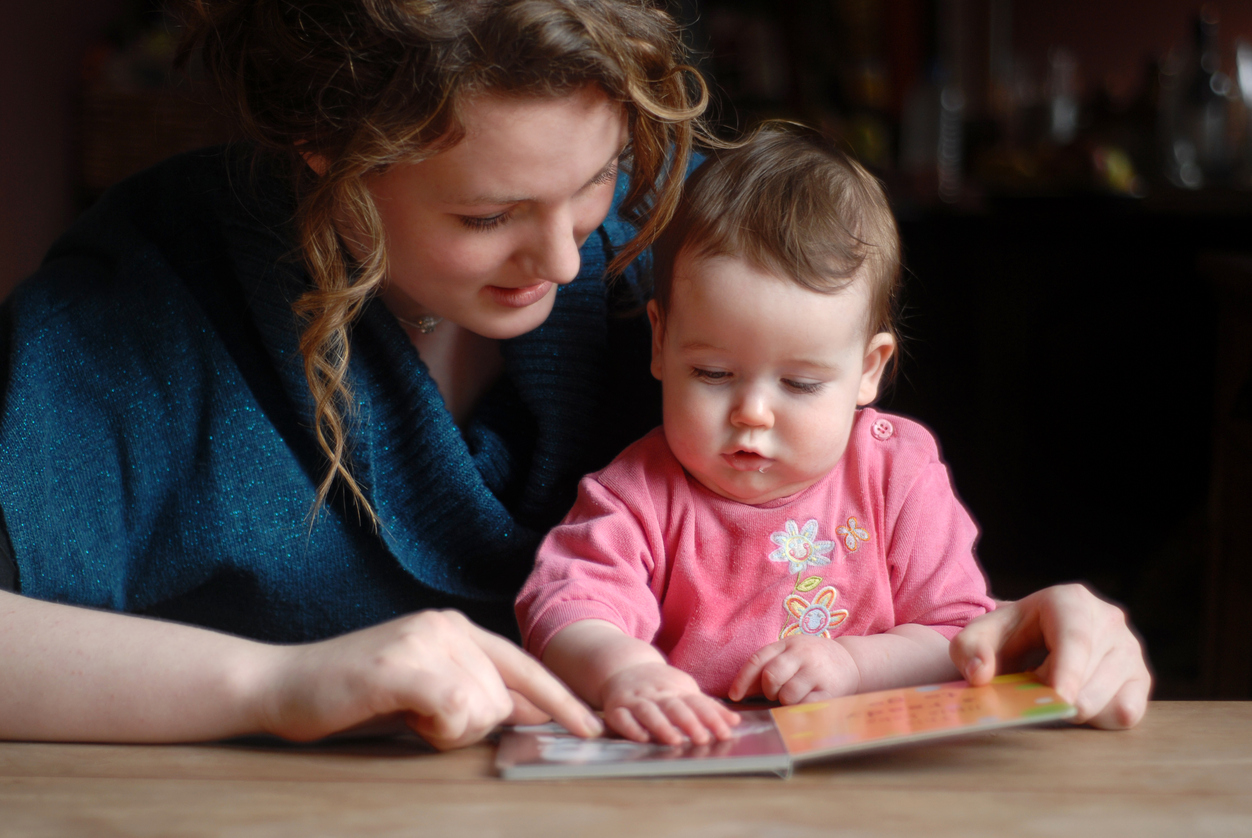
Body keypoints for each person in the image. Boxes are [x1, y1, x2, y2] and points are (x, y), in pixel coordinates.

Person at [0, 0, 1148, 750]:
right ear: (326, 152)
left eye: (597, 179)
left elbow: (851, 541)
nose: (568, 261)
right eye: (486, 213)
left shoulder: (682, 231)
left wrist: (1023, 625)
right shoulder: (138, 308)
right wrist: (272, 686)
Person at [517, 129, 1000, 744]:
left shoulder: (896, 474)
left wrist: (853, 665)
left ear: (868, 370)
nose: (752, 414)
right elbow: (564, 606)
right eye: (714, 373)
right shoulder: (640, 493)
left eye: (799, 384)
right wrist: (626, 673)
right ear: (660, 341)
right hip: (694, 770)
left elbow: (961, 635)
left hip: (864, 777)